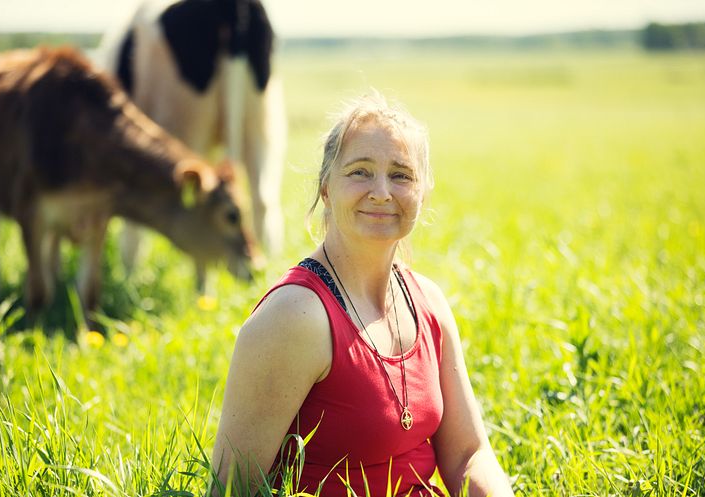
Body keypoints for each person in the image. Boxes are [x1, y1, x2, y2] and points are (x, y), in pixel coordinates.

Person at [211, 92, 514, 497]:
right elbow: (233, 490)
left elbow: (468, 455)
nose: (382, 192)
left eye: (401, 175)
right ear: (325, 188)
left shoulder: (428, 302)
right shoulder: (295, 317)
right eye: (360, 172)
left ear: (423, 193)